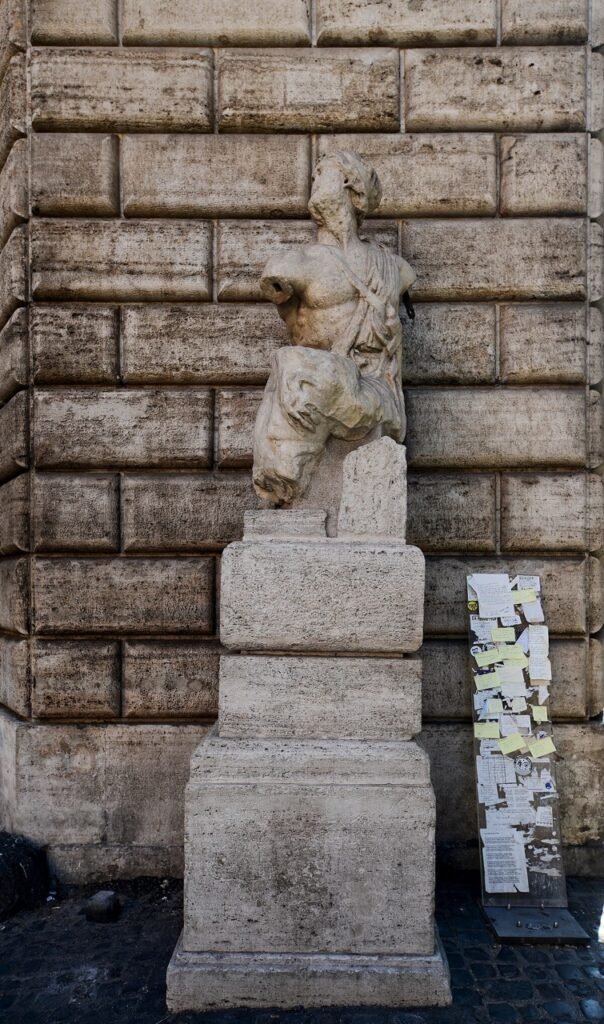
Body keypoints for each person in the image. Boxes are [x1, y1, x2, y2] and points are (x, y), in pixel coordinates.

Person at [253, 150, 416, 505]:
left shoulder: (393, 268)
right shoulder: (290, 264)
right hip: (313, 390)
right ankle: (283, 490)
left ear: (348, 183)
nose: (313, 177)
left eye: (321, 170)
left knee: (306, 375)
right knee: (298, 370)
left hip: (370, 391)